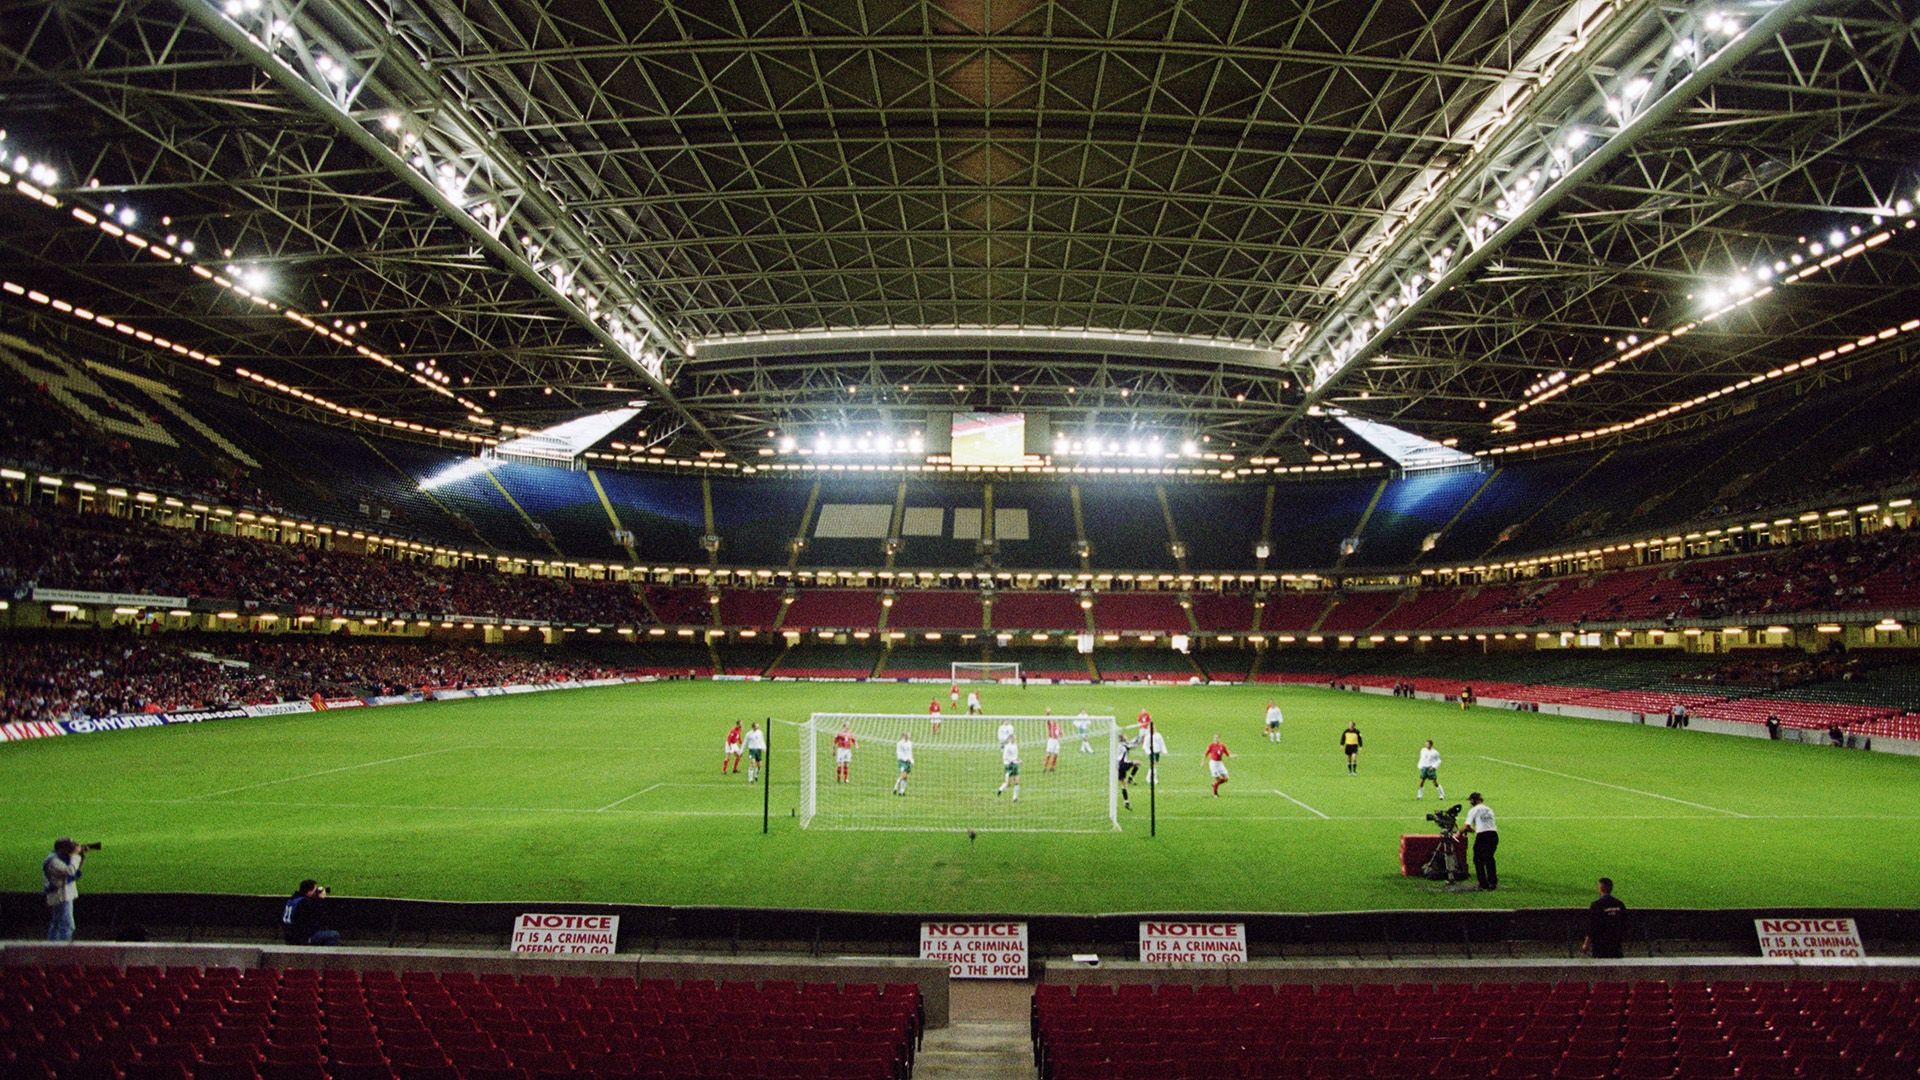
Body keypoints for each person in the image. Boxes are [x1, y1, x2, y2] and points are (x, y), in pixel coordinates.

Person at [43, 838, 88, 942]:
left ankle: (52, 946)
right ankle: (63, 948)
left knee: (57, 922)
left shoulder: (58, 857)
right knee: (67, 924)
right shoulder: (53, 861)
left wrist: (81, 856)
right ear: (62, 849)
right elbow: (70, 871)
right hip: (60, 895)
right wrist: (76, 856)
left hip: (59, 893)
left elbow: (74, 870)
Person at [282, 880, 341, 946]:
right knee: (334, 935)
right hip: (301, 938)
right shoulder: (304, 903)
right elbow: (319, 915)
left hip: (289, 936)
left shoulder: (293, 899)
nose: (316, 892)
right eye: (315, 890)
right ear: (309, 891)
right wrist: (321, 899)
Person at [1462, 791, 1498, 891]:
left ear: (1474, 800)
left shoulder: (1474, 810)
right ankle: (1492, 882)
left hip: (1483, 836)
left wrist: (1459, 833)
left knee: (1478, 859)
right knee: (1489, 858)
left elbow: (1466, 826)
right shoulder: (1489, 809)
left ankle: (1483, 884)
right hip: (1494, 835)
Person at [1582, 877, 1625, 958]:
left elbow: (1592, 926)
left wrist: (1586, 943)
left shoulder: (1596, 905)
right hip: (1615, 943)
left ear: (1601, 888)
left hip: (1600, 944)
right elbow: (1625, 923)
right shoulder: (1620, 904)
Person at [1115, 733, 1141, 810]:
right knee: (1138, 763)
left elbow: (1131, 742)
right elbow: (1133, 745)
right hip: (1123, 764)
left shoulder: (1120, 745)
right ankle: (1130, 778)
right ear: (1122, 738)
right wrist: (1139, 737)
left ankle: (1126, 802)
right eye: (1125, 736)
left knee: (1124, 785)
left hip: (1118, 765)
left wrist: (1137, 737)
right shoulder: (1124, 745)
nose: (1126, 736)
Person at [995, 736, 1021, 802]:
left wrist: (1018, 760)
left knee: (1017, 781)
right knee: (1008, 783)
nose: (1014, 739)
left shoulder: (1015, 745)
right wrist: (1012, 761)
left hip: (1015, 765)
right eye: (1013, 738)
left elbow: (1015, 756)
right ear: (1009, 739)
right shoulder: (1007, 747)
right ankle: (1000, 789)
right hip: (1009, 765)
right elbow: (1005, 757)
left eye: (1015, 738)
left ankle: (1015, 798)